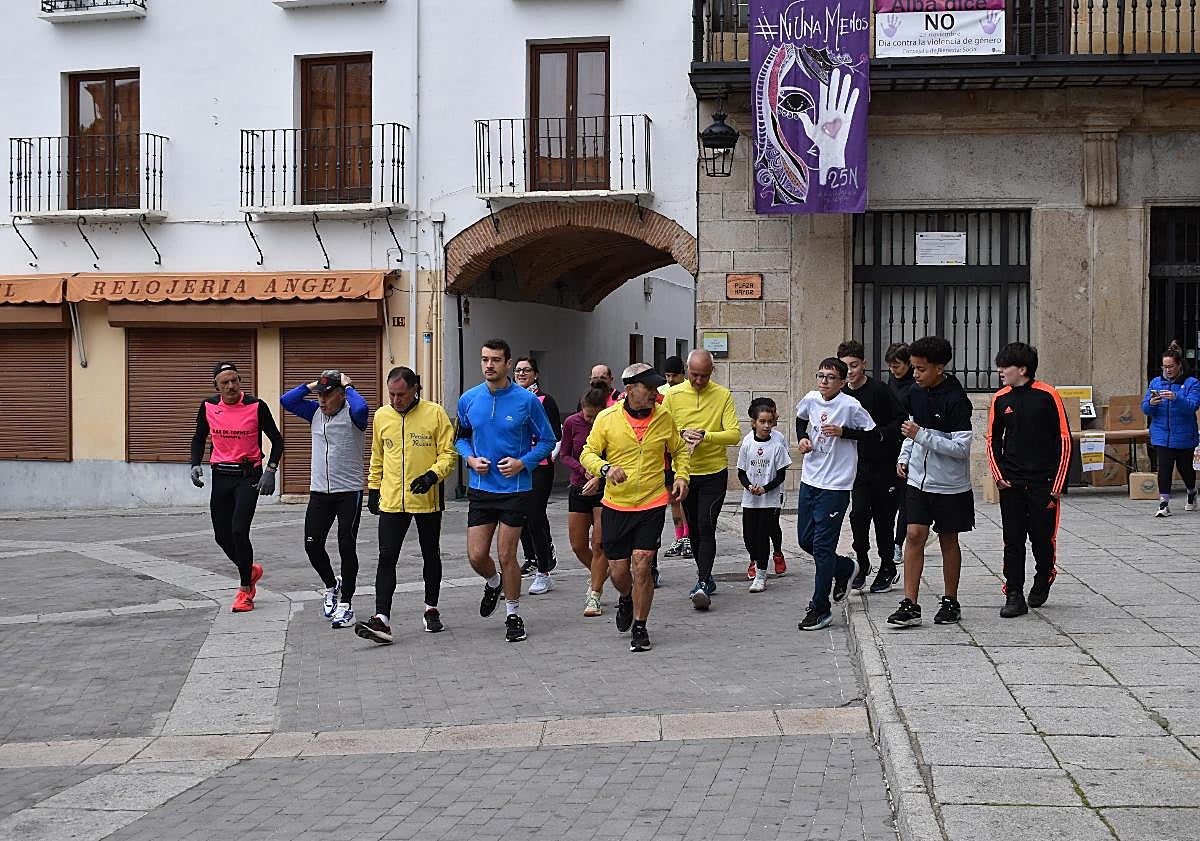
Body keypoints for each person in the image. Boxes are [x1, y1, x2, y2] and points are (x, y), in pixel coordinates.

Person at [581, 363, 690, 652]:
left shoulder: (664, 417)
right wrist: (605, 469)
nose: (655, 393)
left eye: (656, 387)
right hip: (617, 504)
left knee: (642, 564)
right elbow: (587, 453)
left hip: (652, 502)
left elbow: (678, 450)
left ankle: (640, 627)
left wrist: (681, 476)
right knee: (619, 572)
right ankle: (626, 598)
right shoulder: (607, 419)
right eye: (649, 388)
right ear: (630, 390)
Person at [456, 339, 556, 643]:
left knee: (506, 553)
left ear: (507, 363)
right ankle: (492, 581)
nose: (489, 365)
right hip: (482, 488)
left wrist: (522, 463)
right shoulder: (469, 399)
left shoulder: (526, 401)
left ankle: (513, 614)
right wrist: (470, 459)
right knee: (476, 555)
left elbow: (549, 441)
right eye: (485, 359)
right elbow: (460, 438)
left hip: (515, 489)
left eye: (496, 360)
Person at [355, 367, 458, 644]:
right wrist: (373, 488)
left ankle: (431, 608)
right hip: (391, 499)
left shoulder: (434, 414)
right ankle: (382, 619)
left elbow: (449, 454)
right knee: (386, 557)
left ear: (415, 389)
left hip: (426, 498)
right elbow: (378, 455)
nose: (396, 399)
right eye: (391, 394)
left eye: (401, 394)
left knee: (430, 554)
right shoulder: (381, 416)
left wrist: (432, 475)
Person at [887, 336, 974, 629]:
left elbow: (961, 449)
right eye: (913, 368)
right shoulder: (915, 392)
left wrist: (921, 435)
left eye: (921, 369)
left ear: (940, 367)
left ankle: (950, 600)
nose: (915, 374)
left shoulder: (956, 399)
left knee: (949, 538)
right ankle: (910, 603)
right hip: (917, 481)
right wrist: (904, 455)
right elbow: (909, 430)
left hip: (950, 486)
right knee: (913, 534)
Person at [985, 343, 1072, 618]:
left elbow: (1065, 440)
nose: (1000, 371)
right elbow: (991, 440)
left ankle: (1045, 574)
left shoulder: (1048, 396)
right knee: (1012, 540)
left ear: (1022, 369)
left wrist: (1057, 486)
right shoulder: (1000, 399)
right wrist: (999, 476)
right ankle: (1013, 593)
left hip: (1043, 483)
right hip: (1012, 482)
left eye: (1005, 366)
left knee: (1042, 539)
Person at [190, 361, 283, 613]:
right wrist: (194, 464)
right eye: (225, 382)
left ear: (240, 381)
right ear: (216, 386)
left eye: (235, 380)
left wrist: (271, 472)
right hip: (221, 476)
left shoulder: (256, 406)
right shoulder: (208, 406)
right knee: (222, 536)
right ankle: (249, 568)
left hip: (248, 476)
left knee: (239, 530)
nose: (231, 386)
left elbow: (277, 440)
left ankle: (245, 591)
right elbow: (199, 437)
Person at [280, 370, 369, 628]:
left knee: (346, 545)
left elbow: (363, 406)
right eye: (319, 394)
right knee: (312, 544)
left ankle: (347, 604)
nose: (322, 400)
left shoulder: (354, 414)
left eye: (328, 395)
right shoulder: (314, 413)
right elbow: (287, 400)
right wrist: (313, 384)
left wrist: (349, 386)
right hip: (319, 492)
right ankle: (332, 585)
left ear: (341, 396)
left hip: (347, 493)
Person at [794, 358, 877, 630]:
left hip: (836, 485)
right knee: (805, 540)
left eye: (831, 377)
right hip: (810, 479)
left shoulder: (850, 405)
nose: (824, 381)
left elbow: (873, 434)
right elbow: (801, 419)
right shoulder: (810, 399)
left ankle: (820, 607)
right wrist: (802, 439)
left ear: (842, 383)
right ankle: (844, 569)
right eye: (821, 375)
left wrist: (844, 432)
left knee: (822, 547)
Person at [663, 349, 741, 610]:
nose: (699, 381)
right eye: (695, 375)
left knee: (706, 523)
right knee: (694, 529)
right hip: (683, 474)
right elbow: (664, 429)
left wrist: (704, 435)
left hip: (713, 472)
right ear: (686, 371)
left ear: (712, 372)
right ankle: (704, 574)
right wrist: (682, 436)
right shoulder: (672, 396)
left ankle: (703, 580)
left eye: (704, 376)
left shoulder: (722, 395)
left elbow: (733, 435)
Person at [838, 341, 906, 594]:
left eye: (854, 366)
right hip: (856, 466)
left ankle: (888, 566)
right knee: (858, 515)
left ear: (864, 364)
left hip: (884, 464)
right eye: (845, 367)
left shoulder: (879, 391)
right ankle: (863, 562)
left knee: (884, 519)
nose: (851, 372)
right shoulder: (841, 395)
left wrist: (878, 435)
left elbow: (900, 421)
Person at [558, 387, 613, 616]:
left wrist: (599, 474)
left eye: (593, 416)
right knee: (578, 544)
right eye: (586, 415)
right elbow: (565, 454)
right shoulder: (572, 423)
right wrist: (583, 469)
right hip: (579, 486)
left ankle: (595, 593)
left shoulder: (610, 423)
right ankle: (599, 572)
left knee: (598, 544)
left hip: (604, 489)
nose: (589, 419)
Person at [514, 357, 561, 592]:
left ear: (536, 374)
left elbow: (556, 435)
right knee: (520, 516)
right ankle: (532, 558)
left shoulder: (545, 400)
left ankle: (544, 569)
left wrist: (550, 456)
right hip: (517, 467)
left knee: (534, 515)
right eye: (518, 370)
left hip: (540, 466)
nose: (522, 373)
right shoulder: (510, 399)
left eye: (526, 370)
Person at [738, 399, 791, 593]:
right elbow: (741, 472)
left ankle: (761, 574)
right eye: (762, 422)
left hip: (770, 499)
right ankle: (755, 558)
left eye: (770, 421)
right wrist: (749, 486)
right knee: (749, 537)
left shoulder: (777, 444)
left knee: (763, 535)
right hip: (750, 499)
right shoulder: (747, 444)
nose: (767, 425)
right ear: (754, 422)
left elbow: (781, 474)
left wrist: (766, 489)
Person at [1141, 340, 1200, 517]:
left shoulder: (1191, 383)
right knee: (1164, 467)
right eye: (1164, 366)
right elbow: (1145, 408)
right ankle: (1163, 503)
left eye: (1171, 366)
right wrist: (1151, 403)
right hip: (1161, 434)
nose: (1167, 370)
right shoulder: (1156, 383)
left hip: (1184, 435)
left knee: (1185, 468)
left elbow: (1193, 406)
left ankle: (1191, 491)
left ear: (1179, 365)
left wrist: (1176, 398)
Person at [877, 341, 915, 591]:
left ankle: (898, 543)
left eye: (898, 366)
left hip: (910, 446)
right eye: (890, 367)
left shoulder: (915, 386)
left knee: (904, 500)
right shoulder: (892, 384)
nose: (894, 371)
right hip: (892, 447)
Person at [659, 355, 693, 561]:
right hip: (665, 454)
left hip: (684, 451)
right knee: (672, 499)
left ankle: (689, 536)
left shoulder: (689, 390)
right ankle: (679, 536)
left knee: (684, 498)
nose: (670, 379)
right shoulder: (662, 392)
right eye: (667, 375)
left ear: (683, 374)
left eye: (674, 375)